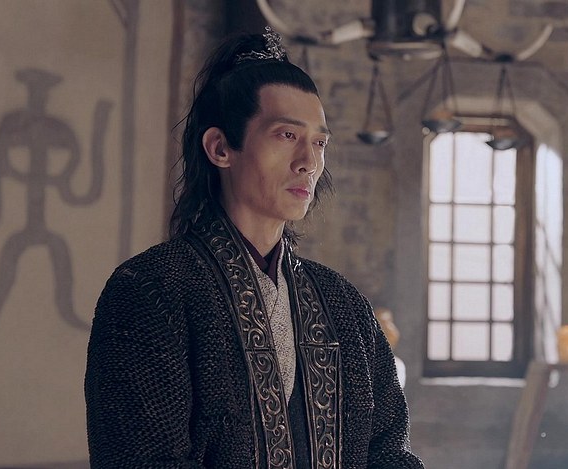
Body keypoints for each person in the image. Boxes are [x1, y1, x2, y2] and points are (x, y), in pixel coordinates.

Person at [84, 27, 424, 469]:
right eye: (286, 135)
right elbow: (142, 461)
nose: (309, 162)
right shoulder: (151, 290)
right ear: (220, 148)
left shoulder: (345, 305)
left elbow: (390, 454)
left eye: (319, 142)